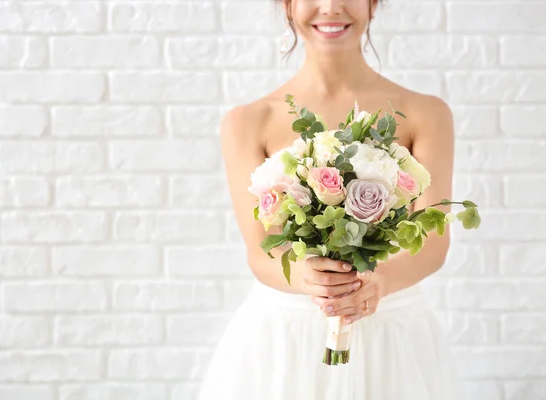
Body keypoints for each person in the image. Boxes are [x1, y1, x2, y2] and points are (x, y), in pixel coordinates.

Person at [198, 0, 461, 398]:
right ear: (286, 5)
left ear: (374, 3)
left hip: (392, 332)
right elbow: (261, 251)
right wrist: (308, 278)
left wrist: (377, 283)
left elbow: (433, 241)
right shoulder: (249, 121)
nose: (331, 7)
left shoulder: (425, 113)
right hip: (285, 340)